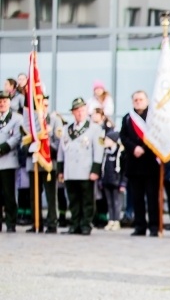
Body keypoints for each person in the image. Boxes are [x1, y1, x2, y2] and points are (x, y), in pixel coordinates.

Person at [57, 97, 104, 236]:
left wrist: (95, 169)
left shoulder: (94, 128)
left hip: (86, 170)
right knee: (73, 199)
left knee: (87, 199)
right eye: (77, 110)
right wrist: (60, 170)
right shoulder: (66, 129)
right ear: (73, 112)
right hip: (70, 171)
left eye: (82, 110)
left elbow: (99, 150)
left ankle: (85, 224)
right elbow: (61, 151)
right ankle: (75, 224)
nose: (79, 113)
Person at [119, 91, 160, 237]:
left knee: (152, 198)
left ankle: (154, 226)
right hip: (134, 164)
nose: (138, 102)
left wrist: (143, 148)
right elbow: (123, 136)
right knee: (137, 198)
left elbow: (157, 136)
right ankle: (140, 226)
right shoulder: (128, 118)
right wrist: (133, 148)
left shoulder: (154, 117)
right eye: (135, 99)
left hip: (150, 164)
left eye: (141, 99)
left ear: (147, 100)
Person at [23, 95, 62, 233]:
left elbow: (59, 144)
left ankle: (52, 222)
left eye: (45, 105)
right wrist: (31, 145)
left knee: (51, 195)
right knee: (34, 195)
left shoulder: (55, 120)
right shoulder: (31, 122)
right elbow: (23, 141)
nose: (43, 108)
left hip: (49, 163)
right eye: (41, 105)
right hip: (33, 163)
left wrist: (45, 146)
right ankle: (36, 222)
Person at [0, 91, 23, 232]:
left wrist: (2, 148)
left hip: (8, 160)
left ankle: (10, 222)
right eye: (0, 101)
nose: (2, 104)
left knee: (9, 194)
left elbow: (16, 137)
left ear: (9, 102)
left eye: (4, 101)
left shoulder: (16, 118)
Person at [101, 130, 124, 231]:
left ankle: (116, 220)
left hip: (116, 182)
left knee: (116, 202)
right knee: (109, 203)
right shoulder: (105, 152)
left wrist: (123, 183)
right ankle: (110, 220)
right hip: (106, 181)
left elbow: (123, 170)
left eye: (107, 139)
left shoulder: (120, 153)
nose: (105, 141)